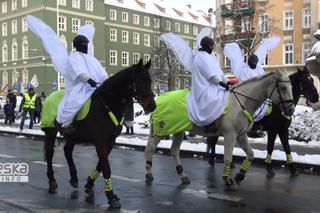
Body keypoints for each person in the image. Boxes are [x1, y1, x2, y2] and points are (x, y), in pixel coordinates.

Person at [224, 36, 280, 137]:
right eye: (253, 63)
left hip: (259, 94)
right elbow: (245, 82)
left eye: (255, 63)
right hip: (246, 94)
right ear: (249, 62)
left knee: (267, 105)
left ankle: (261, 124)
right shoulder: (243, 70)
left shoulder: (259, 69)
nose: (254, 64)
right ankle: (249, 126)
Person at [55, 33, 108, 134]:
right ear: (77, 45)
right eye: (83, 44)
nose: (85, 46)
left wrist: (106, 79)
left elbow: (101, 70)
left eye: (86, 44)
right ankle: (66, 124)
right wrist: (89, 81)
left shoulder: (92, 59)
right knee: (75, 102)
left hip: (97, 86)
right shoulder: (73, 57)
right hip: (80, 86)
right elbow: (78, 72)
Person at [186, 36, 231, 129]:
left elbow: (219, 73)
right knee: (216, 99)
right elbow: (210, 75)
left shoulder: (211, 57)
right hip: (205, 88)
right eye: (212, 46)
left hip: (214, 85)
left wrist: (227, 82)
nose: (213, 48)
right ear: (209, 46)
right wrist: (221, 84)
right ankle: (209, 122)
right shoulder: (200, 57)